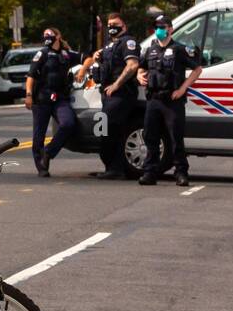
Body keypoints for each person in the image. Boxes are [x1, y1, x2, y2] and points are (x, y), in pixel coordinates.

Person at [137, 14, 202, 187]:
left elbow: (197, 69)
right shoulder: (151, 50)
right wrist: (139, 76)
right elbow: (141, 67)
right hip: (153, 100)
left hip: (172, 100)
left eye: (162, 27)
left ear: (170, 29)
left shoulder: (179, 49)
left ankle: (181, 172)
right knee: (150, 137)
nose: (159, 30)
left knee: (175, 138)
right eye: (157, 27)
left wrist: (182, 89)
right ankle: (150, 172)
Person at [89, 11, 140, 179]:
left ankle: (115, 169)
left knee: (110, 129)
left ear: (124, 26)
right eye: (109, 25)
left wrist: (116, 85)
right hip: (107, 95)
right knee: (104, 131)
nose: (111, 28)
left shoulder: (128, 42)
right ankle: (110, 167)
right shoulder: (110, 45)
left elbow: (132, 65)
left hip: (121, 95)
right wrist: (98, 57)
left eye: (115, 25)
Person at [24, 27, 81, 177]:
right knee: (39, 135)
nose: (46, 37)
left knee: (68, 123)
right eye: (44, 35)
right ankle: (41, 166)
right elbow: (31, 76)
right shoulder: (42, 53)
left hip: (60, 98)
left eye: (49, 34)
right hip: (42, 98)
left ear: (58, 36)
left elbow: (87, 58)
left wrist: (82, 71)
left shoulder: (66, 54)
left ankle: (48, 152)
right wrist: (29, 94)